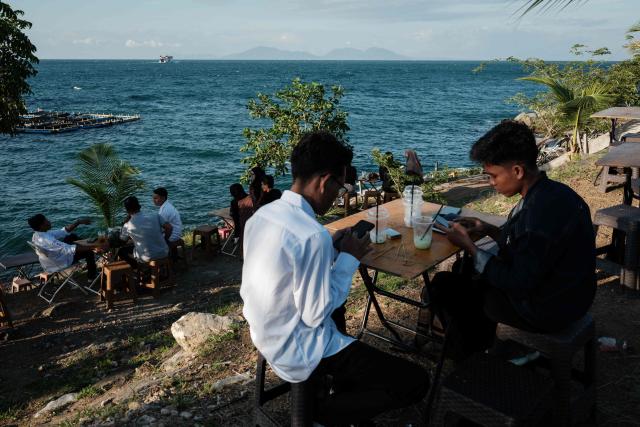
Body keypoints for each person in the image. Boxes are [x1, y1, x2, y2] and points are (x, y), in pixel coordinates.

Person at [241, 131, 429, 426]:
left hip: (265, 332)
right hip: (300, 348)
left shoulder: (262, 217)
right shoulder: (311, 234)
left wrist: (331, 247)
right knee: (416, 381)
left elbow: (285, 266)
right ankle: (324, 415)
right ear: (325, 180)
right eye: (340, 187)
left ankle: (336, 394)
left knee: (347, 335)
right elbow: (316, 313)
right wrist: (349, 258)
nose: (338, 195)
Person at [430, 120, 596, 361]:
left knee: (446, 286)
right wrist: (486, 229)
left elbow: (517, 281)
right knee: (462, 271)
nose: (491, 183)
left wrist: (471, 248)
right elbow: (529, 247)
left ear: (517, 171)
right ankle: (489, 344)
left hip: (548, 309)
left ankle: (475, 359)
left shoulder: (537, 214)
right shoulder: (553, 193)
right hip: (573, 296)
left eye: (493, 176)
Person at [28, 214, 98, 281]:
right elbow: (69, 249)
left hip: (49, 261)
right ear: (42, 226)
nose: (49, 222)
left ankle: (86, 246)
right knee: (89, 252)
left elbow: (63, 231)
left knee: (71, 237)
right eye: (47, 221)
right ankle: (92, 277)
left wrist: (78, 222)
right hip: (59, 263)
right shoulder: (48, 240)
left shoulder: (37, 235)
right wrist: (95, 247)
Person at [119, 196, 169, 268]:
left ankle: (138, 270)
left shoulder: (128, 225)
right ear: (139, 206)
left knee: (121, 251)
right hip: (164, 252)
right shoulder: (154, 215)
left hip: (146, 258)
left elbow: (122, 240)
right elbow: (169, 228)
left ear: (127, 210)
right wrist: (166, 239)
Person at [152, 187, 183, 259]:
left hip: (173, 235)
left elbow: (162, 227)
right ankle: (173, 256)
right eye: (153, 198)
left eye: (156, 198)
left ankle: (162, 260)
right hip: (177, 232)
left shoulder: (164, 210)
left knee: (151, 240)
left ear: (163, 198)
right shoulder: (167, 205)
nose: (153, 200)